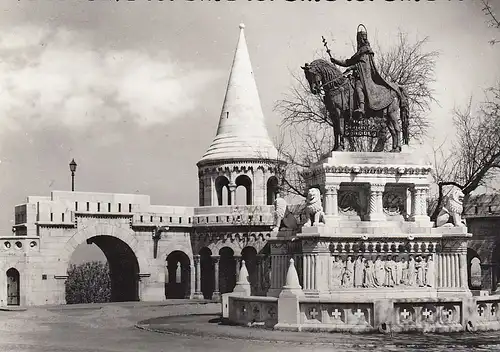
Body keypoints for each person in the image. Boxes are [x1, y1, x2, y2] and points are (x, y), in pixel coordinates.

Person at [329, 24, 396, 119]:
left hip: (365, 78)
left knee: (358, 86)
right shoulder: (359, 52)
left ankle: (361, 108)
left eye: (361, 39)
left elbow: (363, 65)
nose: (360, 41)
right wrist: (335, 61)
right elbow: (347, 62)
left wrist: (352, 68)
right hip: (358, 76)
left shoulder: (366, 51)